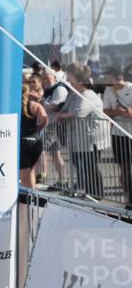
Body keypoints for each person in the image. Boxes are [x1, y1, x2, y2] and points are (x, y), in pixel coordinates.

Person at [58, 63, 109, 199]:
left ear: (80, 81)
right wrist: (63, 114)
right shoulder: (74, 95)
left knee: (90, 166)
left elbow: (79, 112)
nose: (69, 82)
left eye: (71, 80)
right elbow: (65, 108)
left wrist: (63, 116)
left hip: (91, 139)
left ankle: (96, 194)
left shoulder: (88, 95)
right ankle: (86, 190)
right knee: (81, 165)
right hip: (79, 138)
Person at [102, 67, 132, 206]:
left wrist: (128, 113)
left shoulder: (131, 88)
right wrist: (116, 112)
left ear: (114, 77)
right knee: (124, 167)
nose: (105, 80)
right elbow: (106, 111)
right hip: (117, 134)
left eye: (107, 77)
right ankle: (128, 198)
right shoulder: (108, 91)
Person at [19, 78, 48, 189]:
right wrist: (39, 128)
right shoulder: (35, 106)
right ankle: (32, 196)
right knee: (31, 171)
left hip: (22, 141)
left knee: (24, 174)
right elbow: (45, 119)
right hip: (35, 140)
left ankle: (27, 198)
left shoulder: (14, 105)